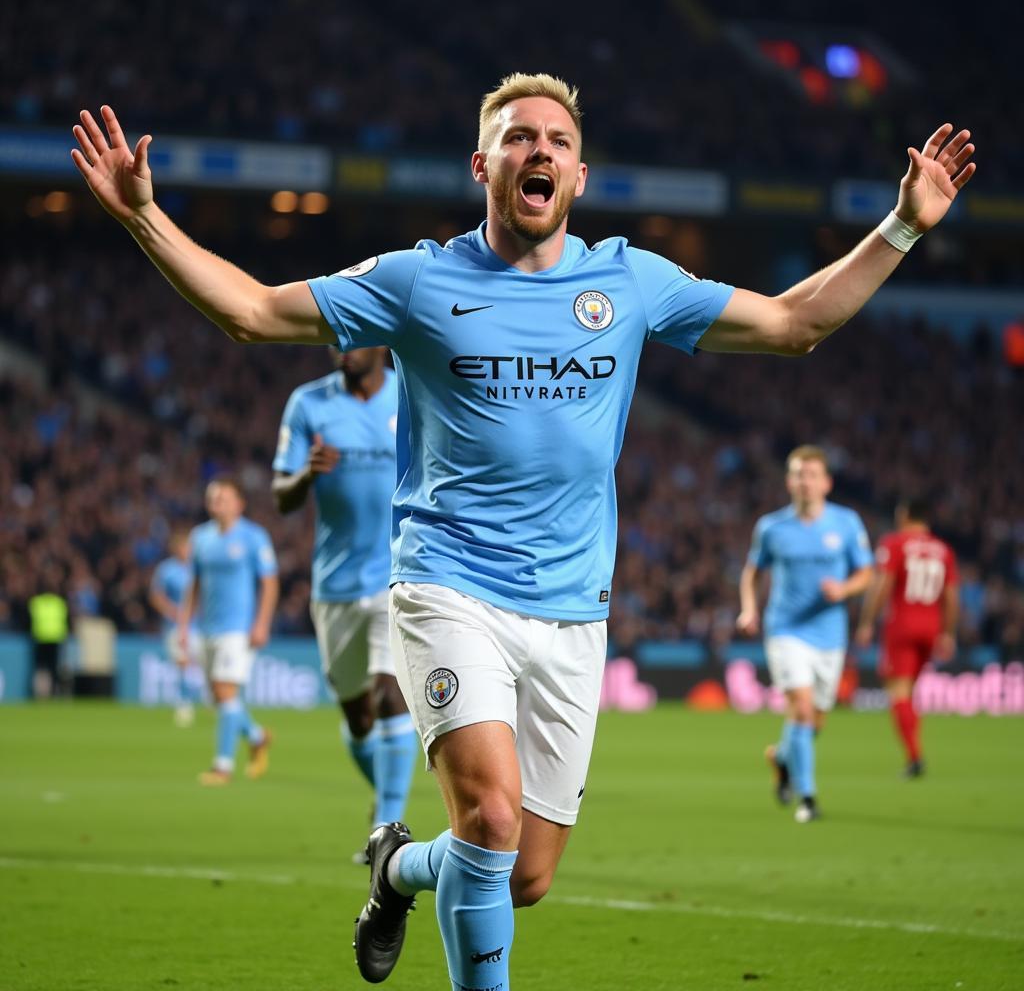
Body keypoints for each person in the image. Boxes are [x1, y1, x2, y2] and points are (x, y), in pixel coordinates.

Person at [72, 74, 975, 988]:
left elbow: (794, 323)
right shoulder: (418, 279)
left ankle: (396, 867)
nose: (538, 150)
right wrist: (143, 216)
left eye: (556, 141)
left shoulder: (629, 282)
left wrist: (901, 226)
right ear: (484, 165)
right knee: (492, 824)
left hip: (573, 612)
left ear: (579, 176)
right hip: (446, 585)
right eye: (517, 138)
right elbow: (253, 311)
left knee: (524, 874)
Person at [272, 347, 418, 856]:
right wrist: (307, 474)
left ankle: (387, 830)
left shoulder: (413, 388)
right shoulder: (309, 404)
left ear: (379, 343)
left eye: (350, 339)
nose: (339, 349)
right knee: (359, 719)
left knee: (388, 695)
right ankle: (384, 799)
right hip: (334, 584)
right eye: (332, 340)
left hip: (398, 573)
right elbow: (281, 496)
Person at [737, 446, 874, 822]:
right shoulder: (771, 527)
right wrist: (750, 608)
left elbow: (866, 573)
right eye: (798, 474)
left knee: (814, 720)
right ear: (789, 481)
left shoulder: (846, 523)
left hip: (830, 634)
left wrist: (844, 591)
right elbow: (751, 572)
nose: (805, 481)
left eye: (812, 474)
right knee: (799, 707)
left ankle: (782, 759)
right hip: (785, 630)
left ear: (826, 482)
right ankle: (808, 798)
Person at [180, 475, 279, 785]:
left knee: (225, 692)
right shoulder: (200, 537)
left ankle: (222, 766)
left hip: (237, 628)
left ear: (239, 503)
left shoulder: (254, 537)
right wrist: (184, 624)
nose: (216, 503)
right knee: (217, 698)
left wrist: (261, 623)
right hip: (207, 627)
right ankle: (257, 735)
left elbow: (269, 583)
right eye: (212, 498)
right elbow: (193, 584)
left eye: (222, 498)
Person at [854, 498, 959, 777]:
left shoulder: (895, 543)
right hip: (931, 626)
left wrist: (866, 622)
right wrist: (948, 633)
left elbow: (883, 585)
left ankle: (914, 757)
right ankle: (914, 754)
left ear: (905, 515)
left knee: (898, 693)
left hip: (902, 626)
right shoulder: (943, 550)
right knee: (909, 693)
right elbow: (951, 596)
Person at [149, 529, 202, 726]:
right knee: (183, 664)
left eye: (189, 547)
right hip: (175, 627)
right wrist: (173, 611)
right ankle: (184, 704)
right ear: (175, 549)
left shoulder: (198, 568)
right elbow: (156, 596)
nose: (186, 551)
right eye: (183, 547)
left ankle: (213, 702)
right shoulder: (166, 569)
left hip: (200, 626)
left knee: (205, 665)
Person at [28, 565, 69, 699]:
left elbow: (28, 620)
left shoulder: (36, 602)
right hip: (55, 639)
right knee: (53, 669)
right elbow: (67, 621)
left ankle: (39, 694)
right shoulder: (60, 602)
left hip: (40, 638)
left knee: (40, 669)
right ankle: (53, 693)